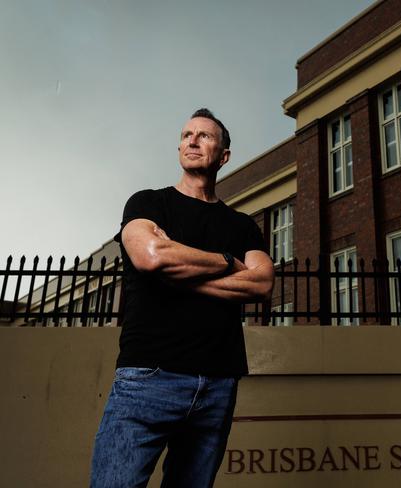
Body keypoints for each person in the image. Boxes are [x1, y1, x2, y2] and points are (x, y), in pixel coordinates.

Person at [90, 108, 274, 487]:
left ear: (223, 156)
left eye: (205, 136)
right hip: (148, 378)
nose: (192, 140)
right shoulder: (147, 203)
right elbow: (152, 256)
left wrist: (181, 275)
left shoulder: (241, 225)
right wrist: (226, 261)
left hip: (217, 384)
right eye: (187, 134)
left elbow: (261, 285)